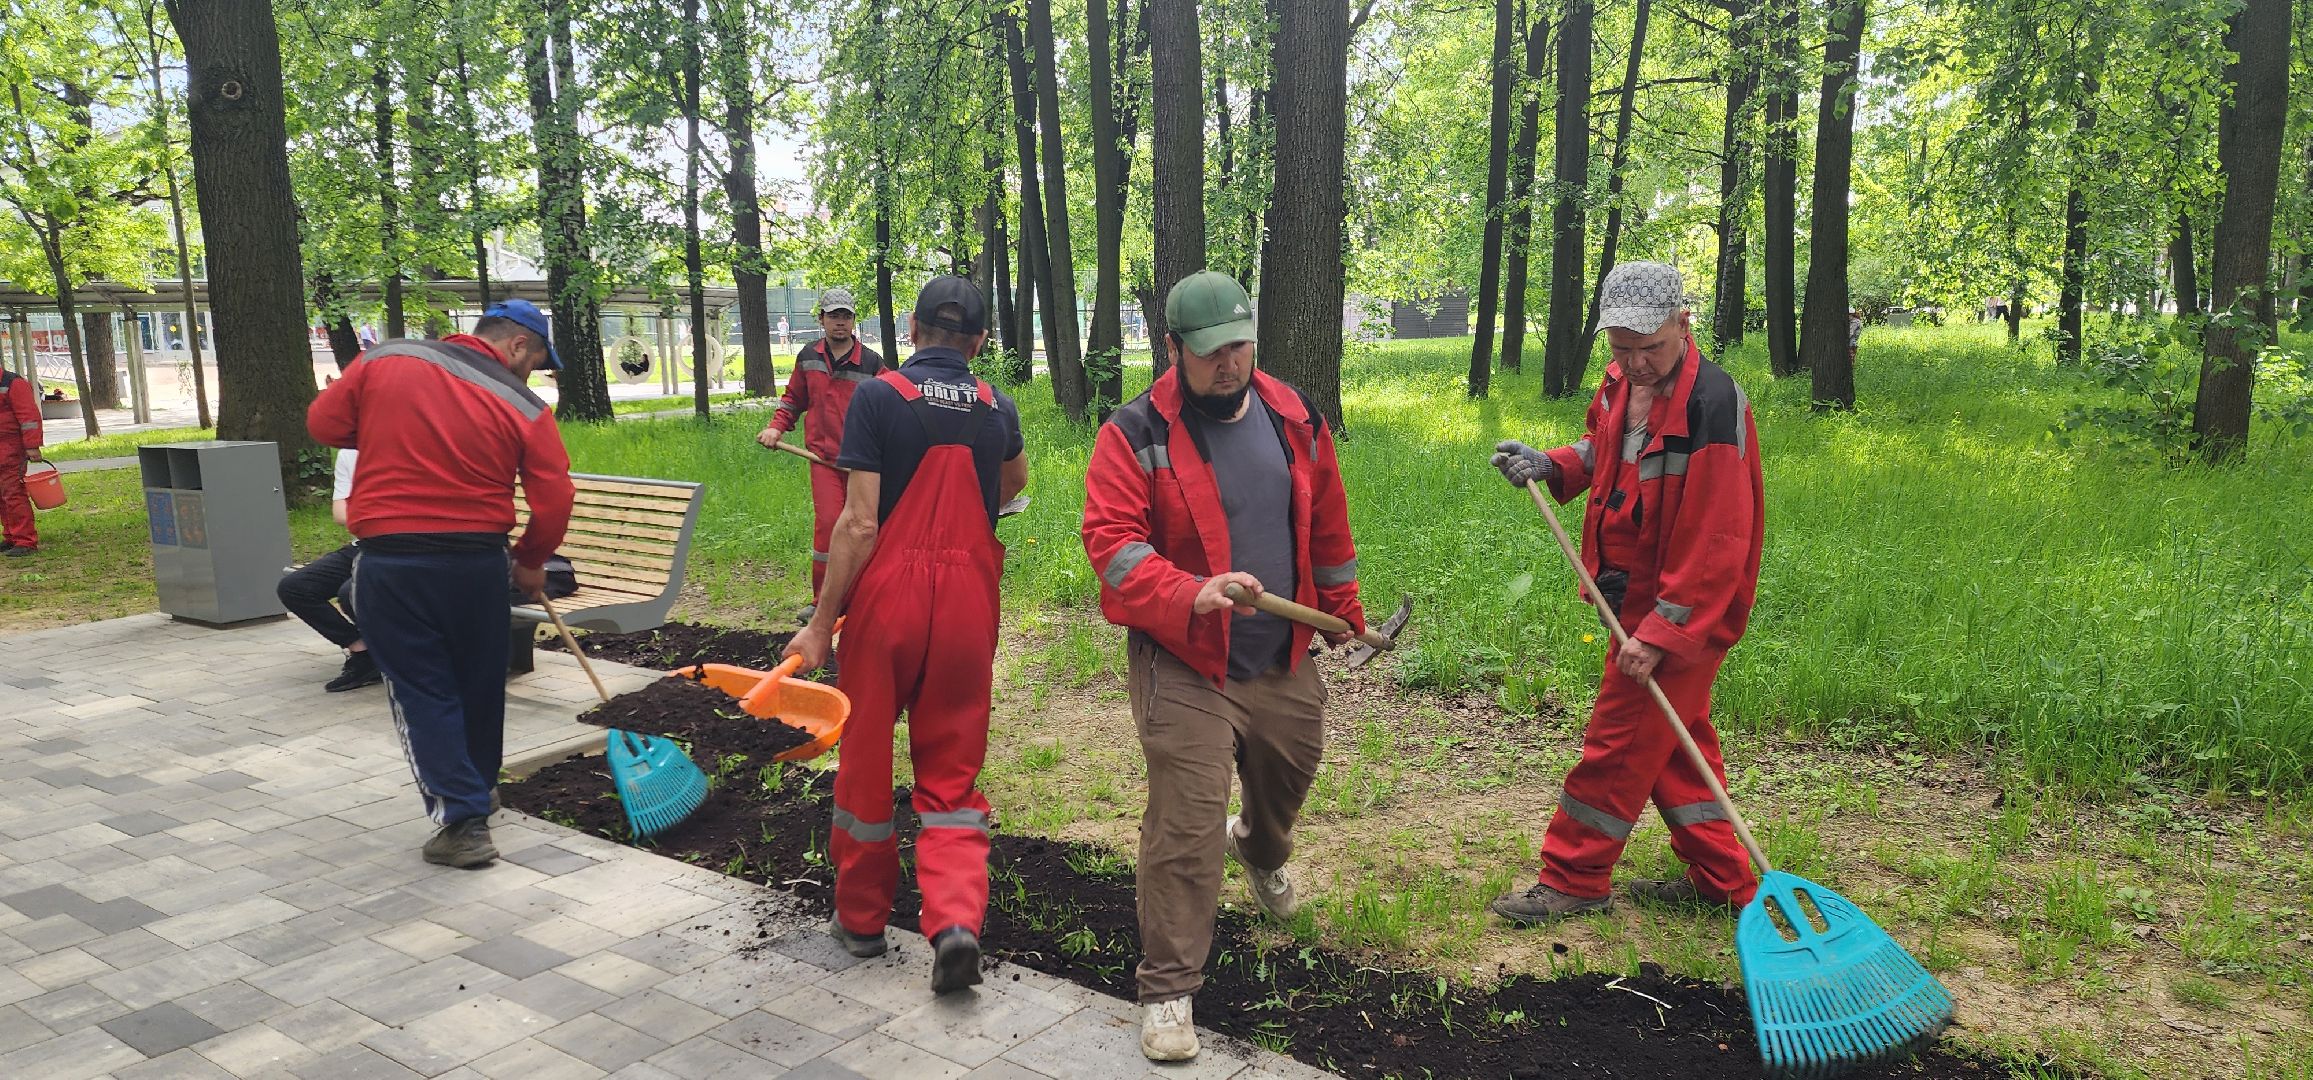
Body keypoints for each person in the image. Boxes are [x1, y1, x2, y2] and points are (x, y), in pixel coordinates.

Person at [1080, 271, 1368, 1062]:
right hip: (1184, 658)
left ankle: (1262, 851)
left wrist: (1343, 605)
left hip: (1277, 652)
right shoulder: (1134, 432)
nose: (1228, 364)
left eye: (1240, 347)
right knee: (1186, 817)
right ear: (1172, 349)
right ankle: (1168, 989)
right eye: (1210, 353)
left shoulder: (1292, 413)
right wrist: (1188, 591)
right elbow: (1110, 543)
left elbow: (1326, 518)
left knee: (1289, 770)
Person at [1487, 261, 1765, 923]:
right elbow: (1604, 453)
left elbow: (1716, 542)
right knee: (1673, 748)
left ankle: (1574, 878)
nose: (1635, 364)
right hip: (1626, 594)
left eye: (1650, 349)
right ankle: (1724, 882)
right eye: (1620, 350)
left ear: (1682, 324)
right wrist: (1548, 464)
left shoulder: (1712, 405)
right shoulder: (1618, 384)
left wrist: (1660, 635)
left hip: (1679, 614)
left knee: (1616, 747)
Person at [782, 276, 1027, 997]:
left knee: (862, 763)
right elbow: (1011, 486)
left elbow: (857, 523)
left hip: (887, 601)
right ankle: (953, 923)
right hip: (965, 607)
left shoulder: (878, 396)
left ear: (914, 331)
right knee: (950, 773)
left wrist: (823, 623)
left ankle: (860, 920)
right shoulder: (996, 407)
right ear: (979, 343)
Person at [307, 298, 574, 869]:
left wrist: (391, 424)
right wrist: (531, 561)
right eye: (538, 360)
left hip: (394, 564)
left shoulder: (386, 360)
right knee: (480, 681)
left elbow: (323, 424)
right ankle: (477, 789)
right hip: (478, 565)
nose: (534, 374)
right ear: (517, 345)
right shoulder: (523, 405)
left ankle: (462, 822)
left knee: (422, 687)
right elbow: (555, 498)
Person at [756, 287, 884, 615]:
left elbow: (891, 407)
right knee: (829, 527)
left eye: (846, 316)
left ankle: (862, 600)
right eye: (833, 316)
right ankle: (823, 603)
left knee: (864, 529)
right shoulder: (808, 357)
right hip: (823, 462)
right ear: (821, 319)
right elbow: (792, 399)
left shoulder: (871, 363)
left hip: (862, 466)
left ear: (854, 320)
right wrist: (776, 427)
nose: (840, 322)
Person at [276, 448, 381, 692]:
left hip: (404, 545)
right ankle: (362, 651)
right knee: (295, 588)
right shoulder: (350, 453)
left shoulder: (406, 443)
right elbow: (340, 513)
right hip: (363, 544)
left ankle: (398, 653)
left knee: (350, 593)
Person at [0, 366, 42, 558]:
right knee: (3, 497)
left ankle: (24, 540)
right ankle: (11, 536)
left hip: (11, 450)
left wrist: (32, 446)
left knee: (13, 494)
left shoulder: (14, 383)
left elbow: (29, 417)